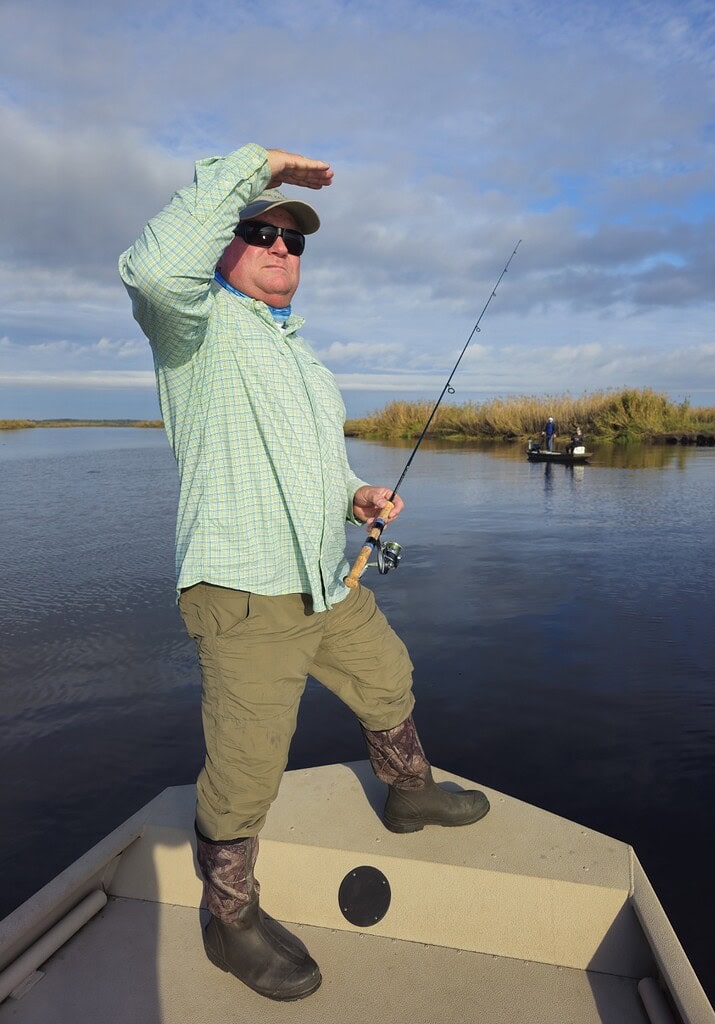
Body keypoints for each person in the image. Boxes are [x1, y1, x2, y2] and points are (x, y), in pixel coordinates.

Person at [118, 144, 489, 1003]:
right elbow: (149, 269)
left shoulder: (305, 361)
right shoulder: (194, 329)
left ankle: (409, 795)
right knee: (247, 768)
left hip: (328, 579)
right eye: (260, 233)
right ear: (224, 244)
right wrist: (256, 169)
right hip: (244, 593)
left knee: (389, 678)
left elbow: (318, 467)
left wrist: (355, 493)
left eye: (294, 241)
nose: (282, 248)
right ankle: (230, 919)